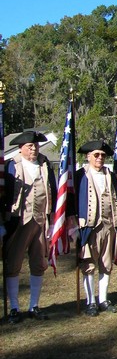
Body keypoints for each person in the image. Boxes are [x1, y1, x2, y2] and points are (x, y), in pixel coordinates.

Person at [2, 131, 57, 324]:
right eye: (29, 146)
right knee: (13, 264)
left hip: (41, 220)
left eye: (35, 145)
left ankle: (34, 305)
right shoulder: (12, 166)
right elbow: (6, 192)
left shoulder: (44, 164)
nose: (33, 149)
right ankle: (14, 307)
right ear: (20, 148)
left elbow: (53, 188)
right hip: (19, 220)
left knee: (38, 263)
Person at [72, 140, 117, 316]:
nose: (100, 158)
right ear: (88, 157)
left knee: (106, 263)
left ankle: (103, 299)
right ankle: (91, 301)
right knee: (88, 264)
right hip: (89, 226)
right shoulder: (80, 176)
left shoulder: (111, 176)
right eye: (96, 155)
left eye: (102, 155)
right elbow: (72, 202)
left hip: (109, 224)